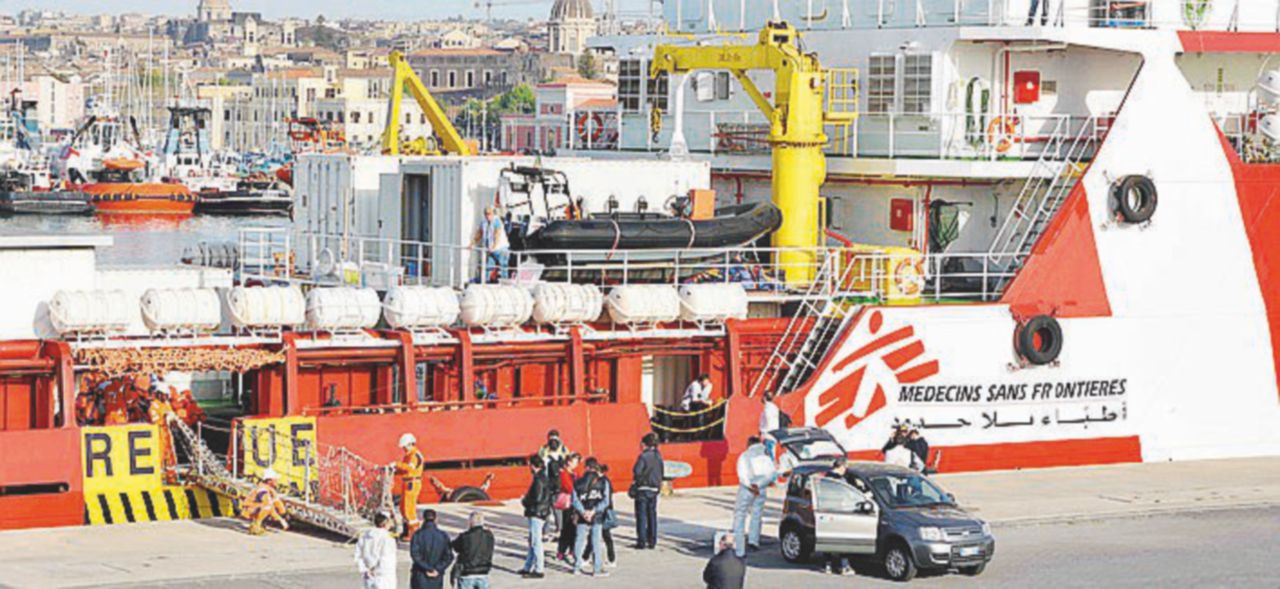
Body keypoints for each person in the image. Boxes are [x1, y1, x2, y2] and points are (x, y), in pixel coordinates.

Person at [732, 436, 776, 557]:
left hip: (747, 489)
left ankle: (739, 545)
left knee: (740, 515)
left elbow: (742, 475)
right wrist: (759, 485)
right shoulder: (766, 457)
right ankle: (754, 540)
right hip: (761, 489)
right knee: (757, 514)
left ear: (749, 443)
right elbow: (772, 474)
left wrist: (751, 486)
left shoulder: (744, 456)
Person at [571, 457, 611, 577]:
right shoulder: (603, 482)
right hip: (596, 515)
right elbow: (606, 501)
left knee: (579, 540)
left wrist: (583, 512)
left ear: (586, 467)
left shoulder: (578, 482)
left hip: (582, 515)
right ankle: (597, 569)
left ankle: (577, 567)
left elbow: (574, 500)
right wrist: (593, 511)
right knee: (596, 541)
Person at [520, 454, 553, 579]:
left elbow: (537, 498)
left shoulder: (538, 479)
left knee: (535, 542)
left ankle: (539, 569)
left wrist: (525, 501)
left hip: (536, 512)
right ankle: (527, 567)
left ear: (533, 465)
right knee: (532, 541)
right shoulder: (544, 477)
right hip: (542, 512)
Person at [821, 457, 855, 576]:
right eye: (845, 467)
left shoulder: (825, 478)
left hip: (826, 512)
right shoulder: (840, 480)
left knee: (828, 539)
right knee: (842, 539)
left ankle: (827, 565)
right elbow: (848, 495)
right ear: (842, 466)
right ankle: (844, 566)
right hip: (839, 512)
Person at [631, 432, 663, 550]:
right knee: (652, 515)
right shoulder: (658, 456)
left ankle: (642, 541)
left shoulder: (643, 457)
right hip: (654, 489)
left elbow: (637, 471)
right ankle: (652, 540)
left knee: (641, 516)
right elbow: (661, 472)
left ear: (645, 444)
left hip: (643, 489)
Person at [582, 463, 618, 569]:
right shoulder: (605, 481)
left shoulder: (602, 482)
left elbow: (604, 499)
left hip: (602, 512)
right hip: (603, 511)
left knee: (597, 536)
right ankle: (611, 559)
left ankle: (586, 557)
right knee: (605, 537)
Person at [409, 509, 453, 589]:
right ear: (436, 519)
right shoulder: (443, 536)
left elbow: (415, 555)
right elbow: (448, 556)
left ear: (423, 519)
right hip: (436, 577)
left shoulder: (417, 535)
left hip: (420, 574)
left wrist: (428, 568)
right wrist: (437, 569)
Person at [451, 512, 495, 589]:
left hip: (467, 572)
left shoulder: (465, 536)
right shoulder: (489, 536)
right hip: (483, 571)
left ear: (471, 522)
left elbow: (455, 547)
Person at [395, 433, 426, 540]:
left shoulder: (415, 455)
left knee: (409, 509)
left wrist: (397, 464)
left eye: (404, 447)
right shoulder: (408, 455)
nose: (403, 449)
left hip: (412, 483)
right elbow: (405, 469)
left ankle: (414, 533)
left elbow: (409, 468)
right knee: (403, 507)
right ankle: (407, 531)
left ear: (410, 444)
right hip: (407, 482)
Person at [355, 512, 398, 589]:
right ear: (385, 523)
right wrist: (376, 571)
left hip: (368, 574)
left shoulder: (365, 536)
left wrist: (364, 570)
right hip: (384, 577)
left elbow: (358, 555)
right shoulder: (388, 539)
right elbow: (386, 560)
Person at [243, 468, 288, 536]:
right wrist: (280, 520)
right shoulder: (262, 489)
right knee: (268, 507)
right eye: (275, 479)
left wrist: (283, 513)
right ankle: (256, 526)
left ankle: (263, 523)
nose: (277, 481)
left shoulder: (270, 489)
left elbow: (277, 503)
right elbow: (268, 505)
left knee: (274, 504)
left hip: (257, 507)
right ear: (269, 481)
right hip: (250, 509)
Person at [555, 453, 582, 562]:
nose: (576, 464)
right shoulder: (563, 473)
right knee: (566, 527)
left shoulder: (575, 473)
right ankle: (561, 550)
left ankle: (572, 549)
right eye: (574, 461)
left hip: (575, 502)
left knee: (574, 527)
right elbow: (568, 487)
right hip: (568, 503)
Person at [476, 206, 510, 282]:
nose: (487, 215)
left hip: (500, 249)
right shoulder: (484, 222)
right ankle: (486, 282)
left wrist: (494, 246)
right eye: (486, 214)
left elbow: (497, 234)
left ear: (493, 213)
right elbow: (479, 233)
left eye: (489, 214)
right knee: (488, 266)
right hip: (491, 249)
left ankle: (505, 283)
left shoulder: (496, 221)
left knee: (503, 266)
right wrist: (472, 244)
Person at [758, 391, 781, 456]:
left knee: (769, 455)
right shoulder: (775, 407)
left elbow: (768, 420)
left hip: (768, 435)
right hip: (773, 435)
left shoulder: (767, 408)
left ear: (764, 397)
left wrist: (763, 431)